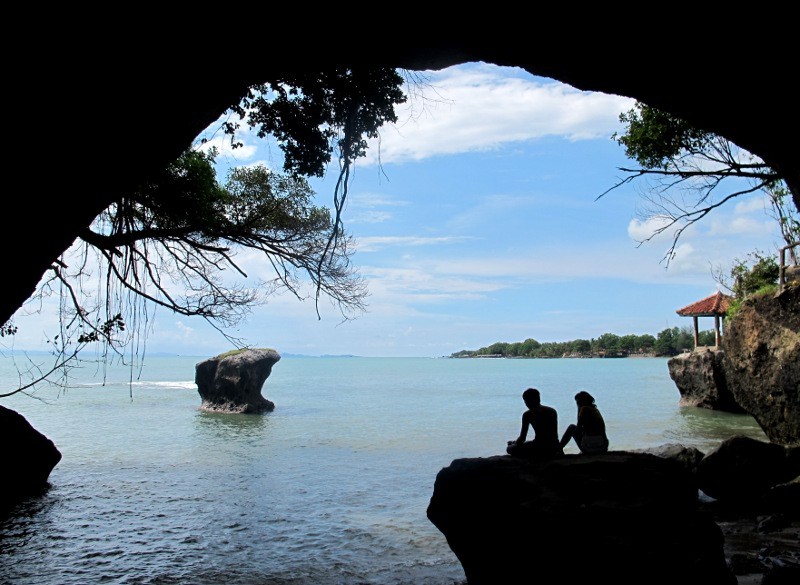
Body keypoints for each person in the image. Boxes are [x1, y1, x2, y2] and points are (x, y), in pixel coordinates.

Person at [506, 388, 564, 459]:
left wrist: (514, 444)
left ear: (527, 401)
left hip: (539, 447)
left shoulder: (528, 414)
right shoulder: (552, 411)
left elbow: (522, 438)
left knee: (509, 448)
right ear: (539, 399)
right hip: (554, 446)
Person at [559, 390, 609, 455]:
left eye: (577, 402)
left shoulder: (584, 409)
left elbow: (578, 429)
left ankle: (558, 448)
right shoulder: (594, 410)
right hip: (602, 446)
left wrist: (579, 410)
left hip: (592, 448)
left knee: (571, 428)